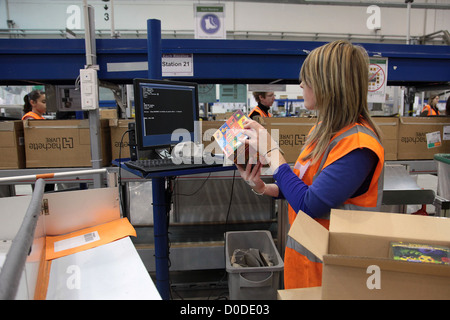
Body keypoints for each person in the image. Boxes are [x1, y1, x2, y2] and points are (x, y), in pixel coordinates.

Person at [236, 40, 385, 289]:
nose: (302, 85)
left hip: (333, 278)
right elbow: (301, 186)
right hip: (305, 268)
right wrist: (263, 187)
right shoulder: (323, 131)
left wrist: (273, 152)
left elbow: (311, 204)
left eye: (307, 79)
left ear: (330, 86)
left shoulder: (359, 147)